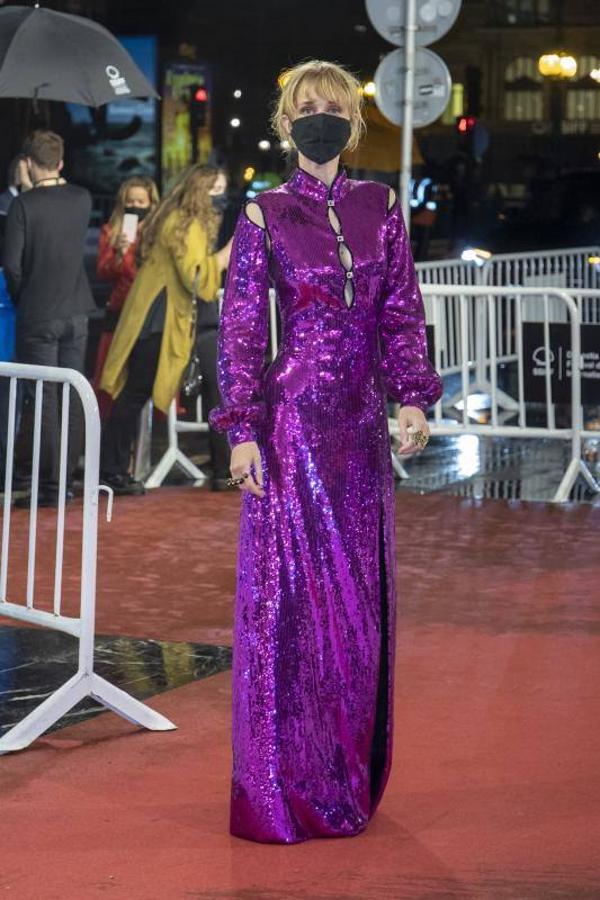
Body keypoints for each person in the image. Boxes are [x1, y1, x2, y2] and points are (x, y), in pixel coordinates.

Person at [209, 60, 442, 844]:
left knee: (356, 618)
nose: (319, 117)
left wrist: (411, 394)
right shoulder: (263, 214)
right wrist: (241, 430)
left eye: (332, 107)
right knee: (291, 610)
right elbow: (241, 333)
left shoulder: (382, 208)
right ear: (285, 123)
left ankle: (343, 779)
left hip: (359, 436)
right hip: (291, 430)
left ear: (354, 119)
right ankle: (282, 791)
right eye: (305, 108)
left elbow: (401, 314)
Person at [99, 164, 232, 495]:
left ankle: (113, 471)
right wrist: (228, 254)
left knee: (133, 394)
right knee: (134, 394)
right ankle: (111, 472)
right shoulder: (185, 225)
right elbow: (197, 279)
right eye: (215, 190)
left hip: (153, 317)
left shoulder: (178, 219)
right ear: (200, 192)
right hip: (157, 320)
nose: (221, 198)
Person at [3, 130, 93, 507]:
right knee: (70, 397)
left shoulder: (25, 205)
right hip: (78, 311)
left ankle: (47, 485)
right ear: (60, 161)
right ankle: (66, 481)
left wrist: (25, 296)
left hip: (39, 313)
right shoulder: (82, 198)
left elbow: (12, 264)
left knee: (44, 398)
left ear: (26, 163)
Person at [92, 176, 159, 413]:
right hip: (118, 311)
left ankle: (139, 443)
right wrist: (118, 253)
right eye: (130, 201)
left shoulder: (158, 234)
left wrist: (137, 247)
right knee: (109, 377)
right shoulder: (111, 231)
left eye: (141, 201)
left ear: (152, 204)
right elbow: (102, 272)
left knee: (140, 382)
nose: (135, 206)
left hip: (146, 315)